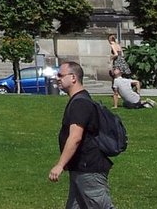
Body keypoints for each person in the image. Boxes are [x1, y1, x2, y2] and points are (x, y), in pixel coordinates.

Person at [49, 61, 115, 208]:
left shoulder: (80, 103)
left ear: (73, 77)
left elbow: (75, 137)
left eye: (60, 75)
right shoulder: (79, 100)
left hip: (88, 169)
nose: (57, 78)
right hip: (79, 168)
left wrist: (60, 165)